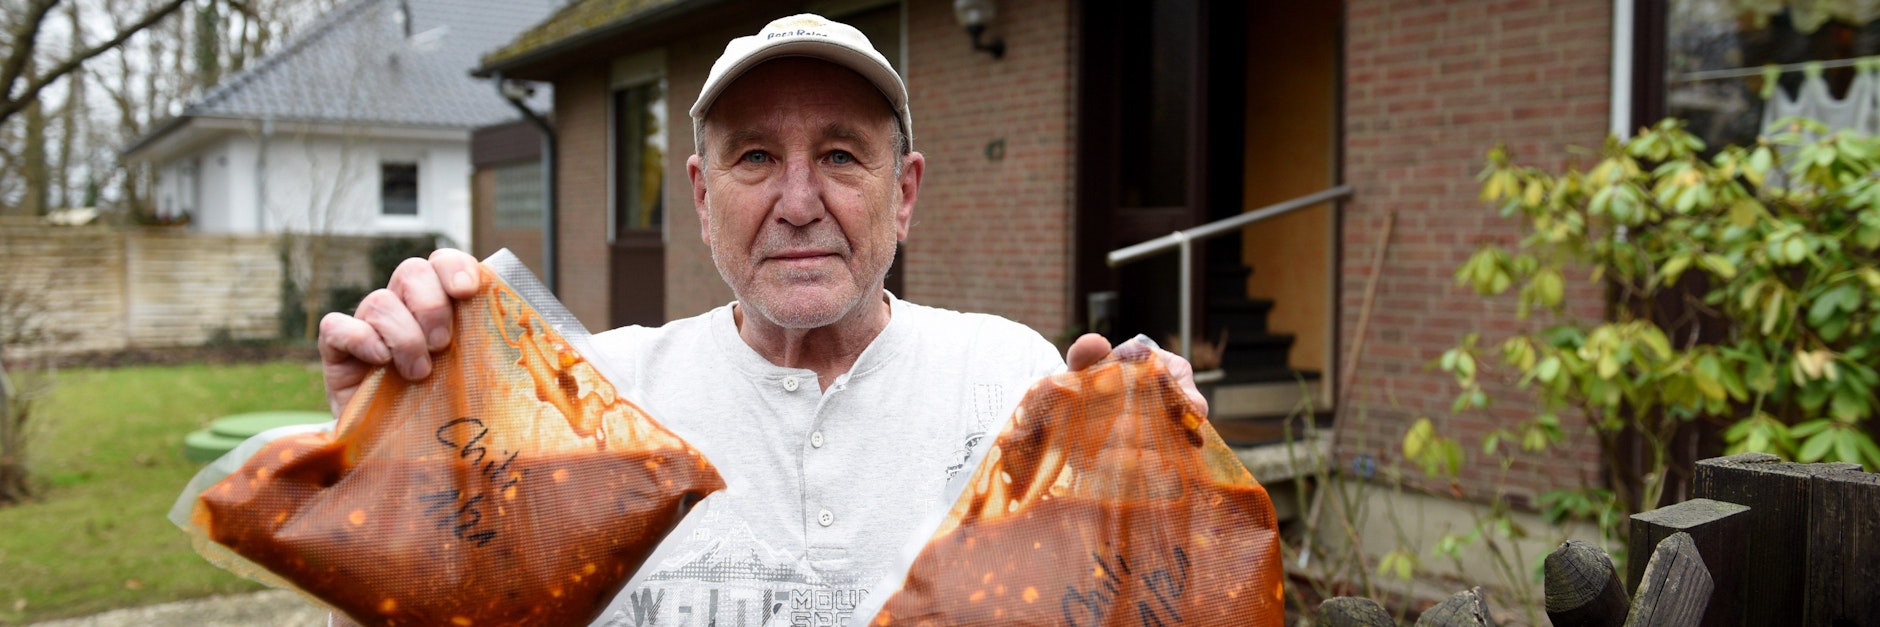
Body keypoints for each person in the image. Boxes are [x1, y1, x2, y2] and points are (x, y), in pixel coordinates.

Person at [315, 14, 1204, 626]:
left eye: (842, 154)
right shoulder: (592, 395)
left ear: (905, 192)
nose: (799, 201)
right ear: (702, 198)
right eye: (754, 157)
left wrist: (1164, 487)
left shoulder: (1011, 378)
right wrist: (387, 466)